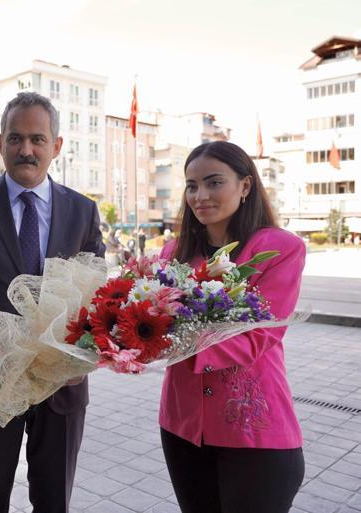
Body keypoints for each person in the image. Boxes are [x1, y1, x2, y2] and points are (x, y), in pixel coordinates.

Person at [0, 92, 104, 513]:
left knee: (53, 502)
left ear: (57, 146)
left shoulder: (83, 211)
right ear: (0, 143)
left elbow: (99, 297)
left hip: (61, 388)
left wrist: (80, 352)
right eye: (15, 138)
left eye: (37, 139)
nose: (25, 150)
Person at [159, 141, 305, 513]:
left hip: (253, 429)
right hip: (183, 427)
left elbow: (261, 333)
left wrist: (177, 346)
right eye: (191, 185)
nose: (200, 195)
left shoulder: (278, 249)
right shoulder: (172, 254)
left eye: (213, 182)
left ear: (245, 186)